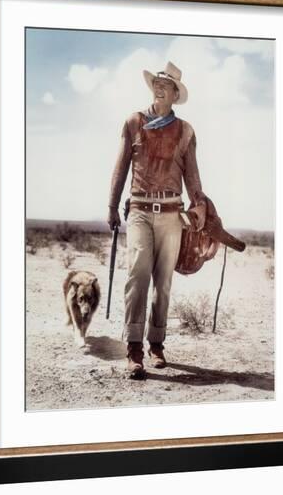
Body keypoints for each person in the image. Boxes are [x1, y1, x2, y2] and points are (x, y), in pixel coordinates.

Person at [108, 61, 210, 379]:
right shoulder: (133, 122)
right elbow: (121, 165)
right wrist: (112, 206)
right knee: (137, 278)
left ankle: (156, 344)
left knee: (163, 283)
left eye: (167, 84)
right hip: (138, 211)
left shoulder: (185, 131)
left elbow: (192, 175)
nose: (160, 86)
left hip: (172, 215)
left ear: (175, 94)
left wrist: (201, 205)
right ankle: (134, 348)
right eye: (158, 82)